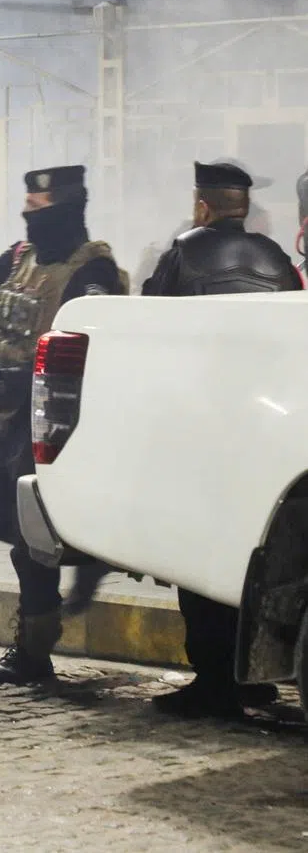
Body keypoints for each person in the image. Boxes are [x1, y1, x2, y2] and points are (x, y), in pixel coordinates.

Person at [0, 165, 127, 686]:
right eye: (27, 209)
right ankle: (70, 570)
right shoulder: (18, 258)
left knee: (33, 545)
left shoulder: (91, 275)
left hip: (54, 429)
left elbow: (78, 363)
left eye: (39, 210)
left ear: (67, 209)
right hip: (5, 423)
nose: (30, 220)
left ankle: (33, 651)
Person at [143, 161, 302, 717]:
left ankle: (212, 681)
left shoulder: (181, 254)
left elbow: (150, 335)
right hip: (263, 432)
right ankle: (252, 677)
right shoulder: (279, 259)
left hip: (200, 430)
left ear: (203, 205)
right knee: (250, 554)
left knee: (198, 556)